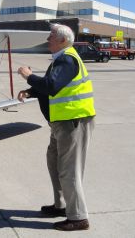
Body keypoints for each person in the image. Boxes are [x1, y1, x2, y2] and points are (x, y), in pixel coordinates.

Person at [17, 23, 95, 231]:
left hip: (72, 123)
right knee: (54, 163)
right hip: (61, 124)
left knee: (69, 170)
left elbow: (51, 85)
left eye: (51, 36)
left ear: (62, 40)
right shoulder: (61, 59)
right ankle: (62, 206)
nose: (48, 39)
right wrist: (31, 91)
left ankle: (78, 217)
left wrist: (28, 75)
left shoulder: (68, 59)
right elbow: (53, 87)